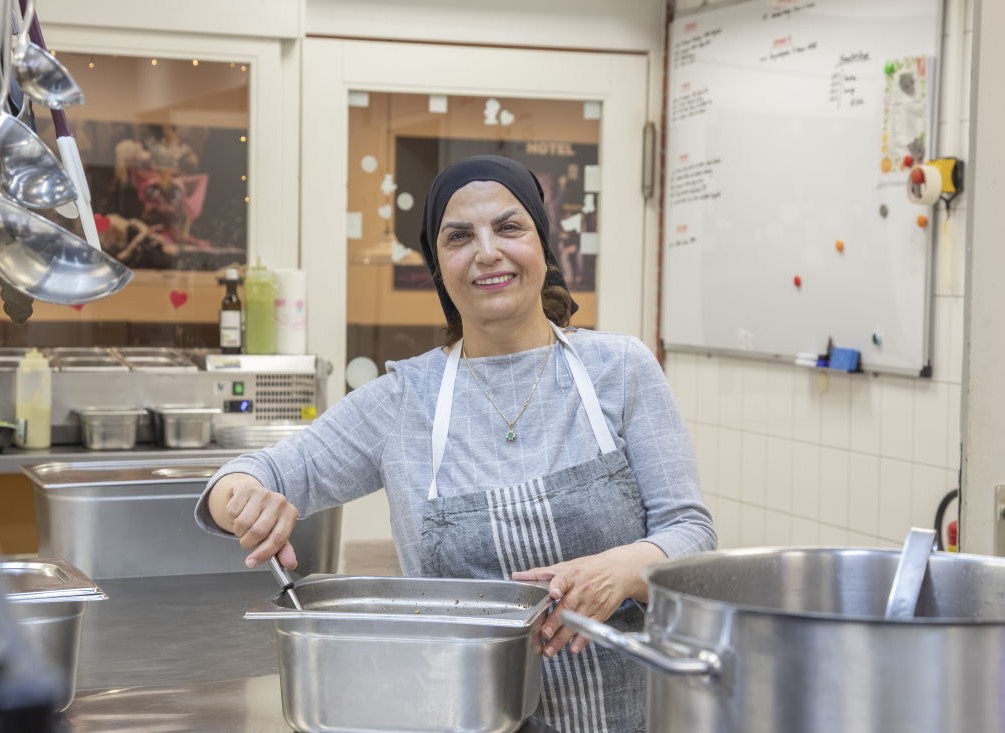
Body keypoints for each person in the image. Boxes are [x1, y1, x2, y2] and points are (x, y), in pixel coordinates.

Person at [195, 155, 715, 733]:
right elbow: (246, 474)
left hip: (624, 716)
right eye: (459, 237)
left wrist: (618, 571)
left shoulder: (619, 368)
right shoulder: (403, 400)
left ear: (543, 246)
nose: (488, 252)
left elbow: (690, 535)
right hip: (454, 717)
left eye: (509, 227)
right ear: (439, 269)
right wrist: (243, 498)